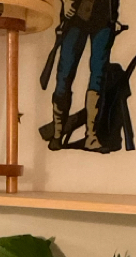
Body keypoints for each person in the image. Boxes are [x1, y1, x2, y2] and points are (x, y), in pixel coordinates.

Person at [48, 0, 120, 152]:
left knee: (98, 76)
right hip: (75, 15)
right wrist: (65, 2)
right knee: (64, 74)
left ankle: (91, 136)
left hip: (104, 16)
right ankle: (57, 134)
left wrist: (113, 14)